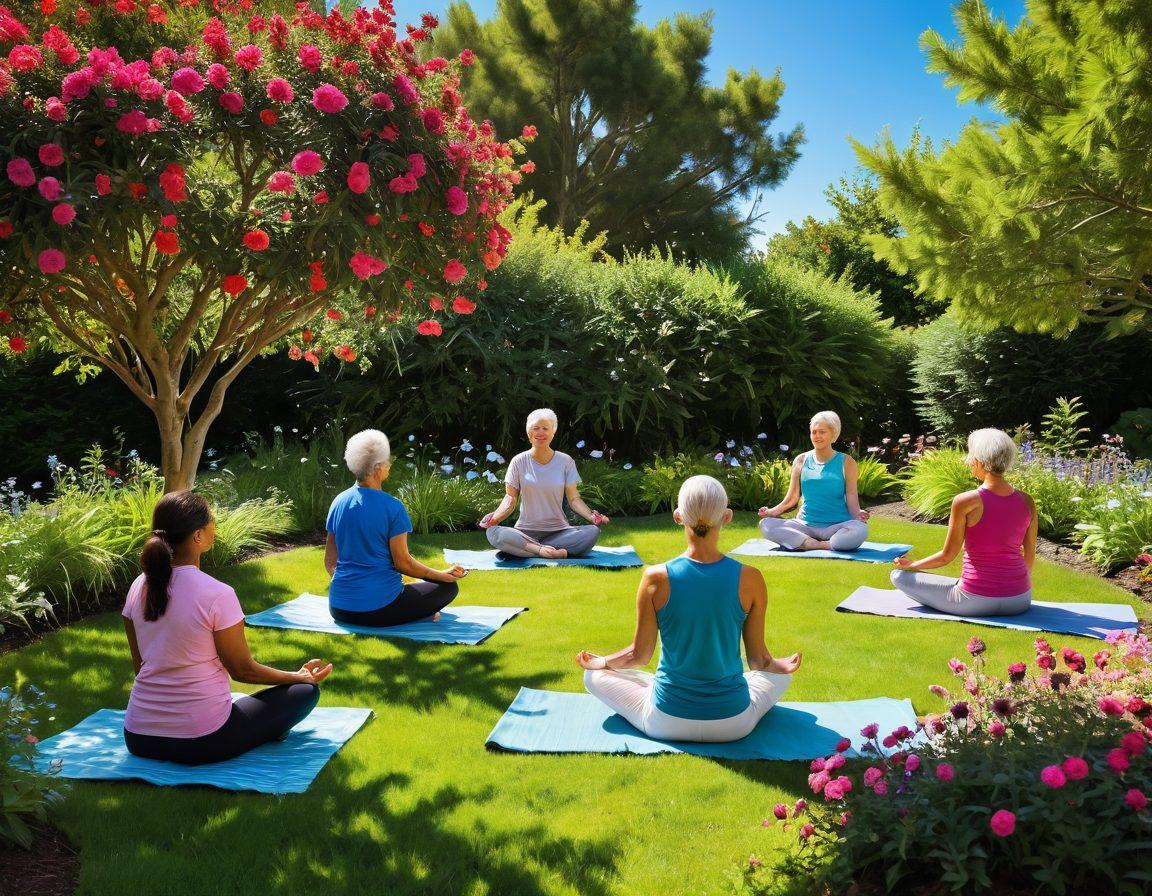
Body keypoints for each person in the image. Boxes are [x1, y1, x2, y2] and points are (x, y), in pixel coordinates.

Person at [577, 475, 801, 742]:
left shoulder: (655, 577)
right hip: (733, 724)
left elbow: (639, 655)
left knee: (594, 677)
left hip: (666, 720)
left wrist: (602, 662)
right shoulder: (751, 578)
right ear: (727, 517)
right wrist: (778, 665)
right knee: (781, 676)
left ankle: (654, 685)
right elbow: (758, 661)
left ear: (678, 516)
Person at [122, 491, 331, 765]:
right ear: (198, 535)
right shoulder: (217, 594)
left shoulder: (138, 586)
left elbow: (140, 666)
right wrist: (298, 676)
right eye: (211, 521)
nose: (215, 526)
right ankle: (269, 729)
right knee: (304, 693)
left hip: (139, 737)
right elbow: (242, 669)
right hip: (203, 741)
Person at [325, 429, 466, 626]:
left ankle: (417, 607)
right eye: (386, 460)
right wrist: (442, 576)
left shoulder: (338, 501)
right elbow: (403, 564)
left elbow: (330, 561)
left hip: (339, 608)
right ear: (378, 468)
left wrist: (350, 591)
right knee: (448, 588)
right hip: (378, 610)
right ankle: (424, 614)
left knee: (426, 584)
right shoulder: (393, 507)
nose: (389, 464)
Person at [890, 428, 1036, 617]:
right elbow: (1030, 556)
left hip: (974, 600)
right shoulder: (1027, 501)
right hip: (1020, 600)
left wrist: (912, 565)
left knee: (898, 576)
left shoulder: (966, 501)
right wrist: (1011, 587)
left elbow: (947, 555)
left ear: (979, 461)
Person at [479, 408, 609, 558]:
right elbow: (510, 498)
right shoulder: (518, 461)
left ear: (553, 432)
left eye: (545, 428)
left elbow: (574, 499)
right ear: (529, 433)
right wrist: (494, 518)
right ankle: (543, 550)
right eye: (536, 428)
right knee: (494, 533)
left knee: (591, 532)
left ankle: (530, 550)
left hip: (559, 532)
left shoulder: (566, 461)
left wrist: (592, 517)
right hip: (525, 532)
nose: (541, 432)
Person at [758, 411, 870, 552]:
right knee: (766, 524)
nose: (817, 436)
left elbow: (852, 495)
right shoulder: (801, 460)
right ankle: (818, 543)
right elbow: (792, 498)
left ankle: (812, 544)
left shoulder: (846, 462)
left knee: (860, 529)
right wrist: (771, 512)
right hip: (805, 526)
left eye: (822, 432)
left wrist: (857, 516)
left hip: (837, 526)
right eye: (814, 432)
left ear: (833, 434)